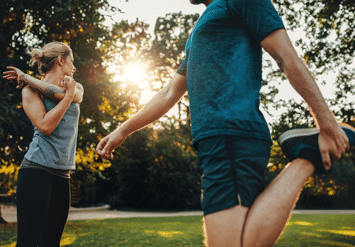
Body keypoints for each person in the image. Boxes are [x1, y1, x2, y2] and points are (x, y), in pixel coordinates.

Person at [96, 0, 354, 246]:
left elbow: (286, 57)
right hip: (214, 141)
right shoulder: (203, 26)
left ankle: (306, 158)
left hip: (232, 134)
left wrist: (326, 122)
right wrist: (123, 130)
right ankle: (305, 156)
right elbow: (169, 93)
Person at [3, 41, 84, 247]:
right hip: (36, 171)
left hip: (62, 174)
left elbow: (70, 95)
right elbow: (46, 126)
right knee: (28, 243)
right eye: (71, 61)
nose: (74, 67)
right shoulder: (30, 91)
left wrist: (26, 76)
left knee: (51, 243)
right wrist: (66, 98)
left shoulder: (77, 87)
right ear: (60, 60)